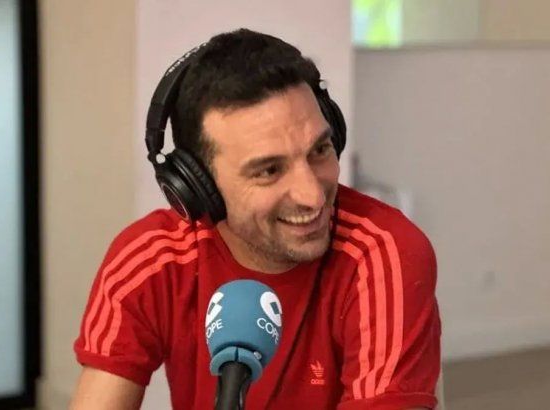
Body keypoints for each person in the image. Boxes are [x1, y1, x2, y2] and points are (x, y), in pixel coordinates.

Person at [70, 28, 441, 410]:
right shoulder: (148, 260)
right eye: (269, 170)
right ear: (199, 186)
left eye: (319, 150)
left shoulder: (383, 255)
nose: (313, 195)